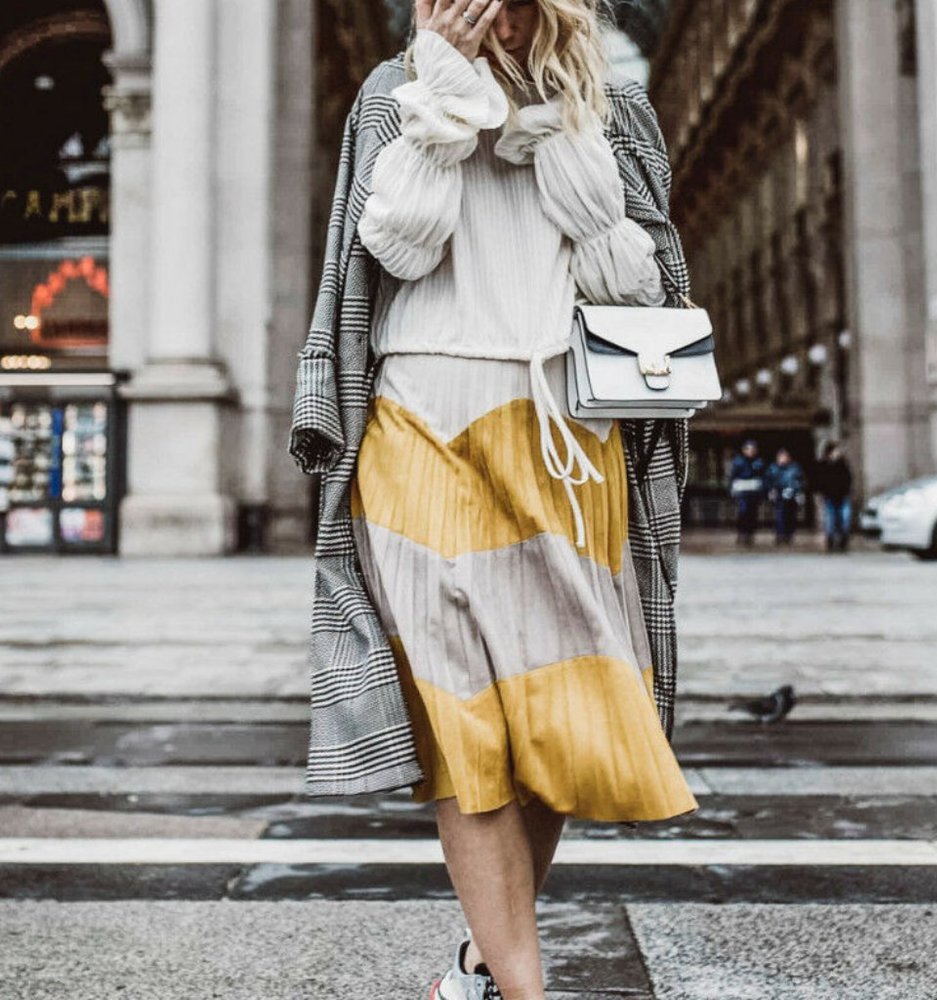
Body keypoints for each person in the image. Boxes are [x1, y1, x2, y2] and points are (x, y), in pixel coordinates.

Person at [287, 3, 699, 999]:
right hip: (418, 421)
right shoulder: (394, 96)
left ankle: (476, 962)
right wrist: (444, 100)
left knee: (566, 719)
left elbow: (638, 290)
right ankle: (523, 989)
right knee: (461, 721)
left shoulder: (617, 108)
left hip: (565, 431)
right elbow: (391, 252)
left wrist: (572, 150)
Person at [814, 440, 853, 552]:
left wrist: (847, 491)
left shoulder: (843, 464)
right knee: (830, 520)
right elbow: (819, 480)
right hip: (829, 497)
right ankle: (830, 542)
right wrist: (820, 493)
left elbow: (848, 479)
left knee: (845, 519)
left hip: (843, 496)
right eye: (837, 450)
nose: (839, 452)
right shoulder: (823, 465)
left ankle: (843, 542)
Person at [729, 438, 766, 545]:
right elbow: (733, 476)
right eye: (749, 449)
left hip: (754, 491)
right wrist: (732, 488)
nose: (751, 451)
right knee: (743, 512)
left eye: (753, 449)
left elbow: (763, 476)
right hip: (742, 491)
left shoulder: (759, 462)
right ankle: (742, 533)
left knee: (753, 514)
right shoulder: (738, 461)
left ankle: (750, 534)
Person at [766, 447, 806, 545]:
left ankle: (789, 535)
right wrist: (771, 490)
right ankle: (780, 535)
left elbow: (801, 480)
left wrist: (798, 491)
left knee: (791, 515)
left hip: (791, 494)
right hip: (779, 494)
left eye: (785, 456)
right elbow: (768, 480)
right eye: (781, 457)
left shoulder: (795, 468)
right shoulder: (773, 468)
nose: (783, 459)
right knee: (780, 515)